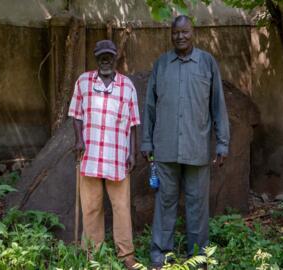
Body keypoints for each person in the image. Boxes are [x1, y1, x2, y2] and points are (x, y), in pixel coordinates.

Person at [140, 15, 230, 269]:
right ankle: (160, 254)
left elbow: (218, 106)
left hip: (197, 149)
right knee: (165, 202)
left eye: (185, 32)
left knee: (197, 206)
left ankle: (199, 256)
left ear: (193, 33)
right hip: (165, 149)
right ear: (171, 34)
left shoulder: (207, 63)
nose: (180, 37)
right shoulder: (161, 64)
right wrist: (146, 141)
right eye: (176, 32)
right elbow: (149, 107)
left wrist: (222, 143)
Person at [68, 39, 140, 269]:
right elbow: (76, 115)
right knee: (91, 207)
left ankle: (126, 256)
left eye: (109, 56)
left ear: (116, 57)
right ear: (96, 59)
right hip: (90, 154)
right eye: (101, 57)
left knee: (121, 208)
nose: (106, 60)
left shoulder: (127, 86)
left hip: (118, 155)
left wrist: (133, 153)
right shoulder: (83, 82)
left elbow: (134, 123)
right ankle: (92, 254)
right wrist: (79, 139)